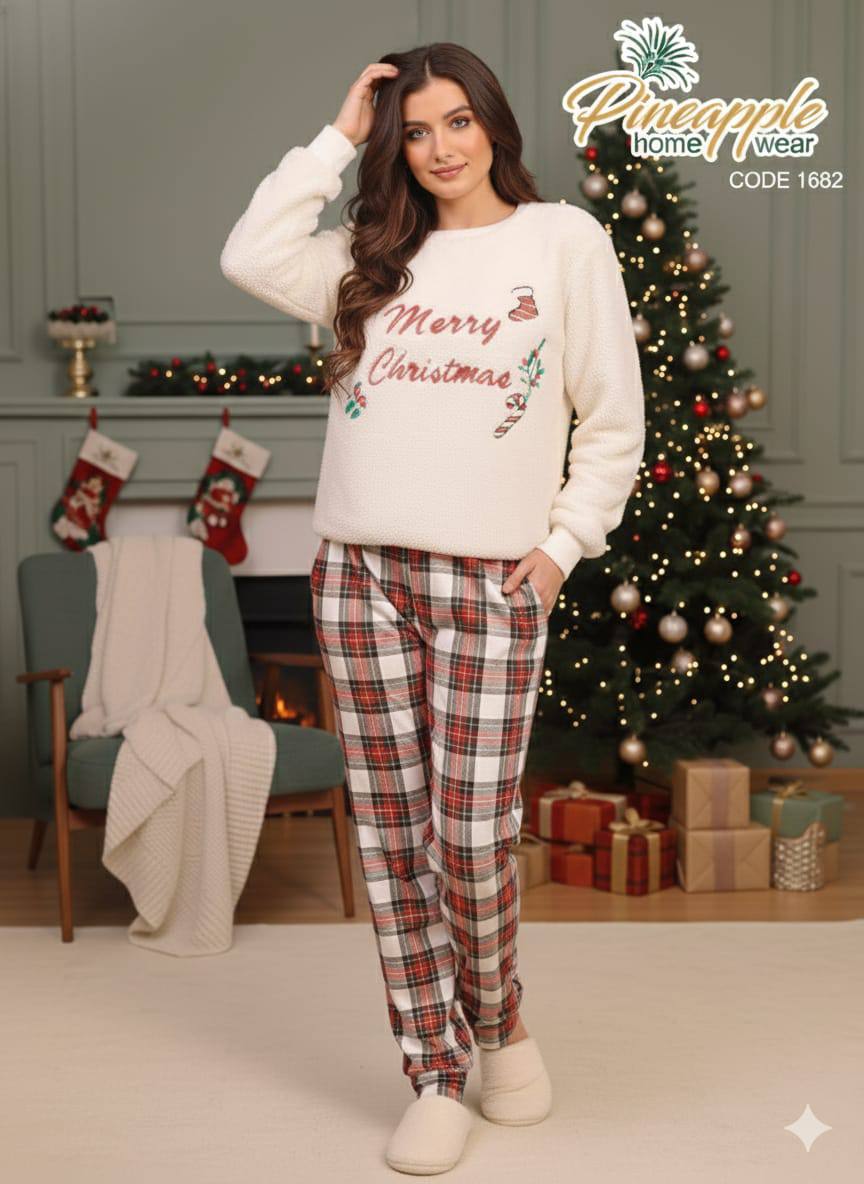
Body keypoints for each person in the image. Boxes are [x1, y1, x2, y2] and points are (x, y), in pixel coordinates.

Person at [220, 42, 645, 1176]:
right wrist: (336, 135)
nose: (441, 148)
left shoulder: (563, 243)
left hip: (492, 584)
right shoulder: (373, 254)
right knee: (393, 839)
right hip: (358, 574)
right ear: (394, 143)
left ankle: (499, 1019)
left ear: (492, 125)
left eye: (457, 122)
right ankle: (435, 1068)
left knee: (466, 837)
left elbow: (612, 419)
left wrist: (560, 551)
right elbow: (247, 250)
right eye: (416, 130)